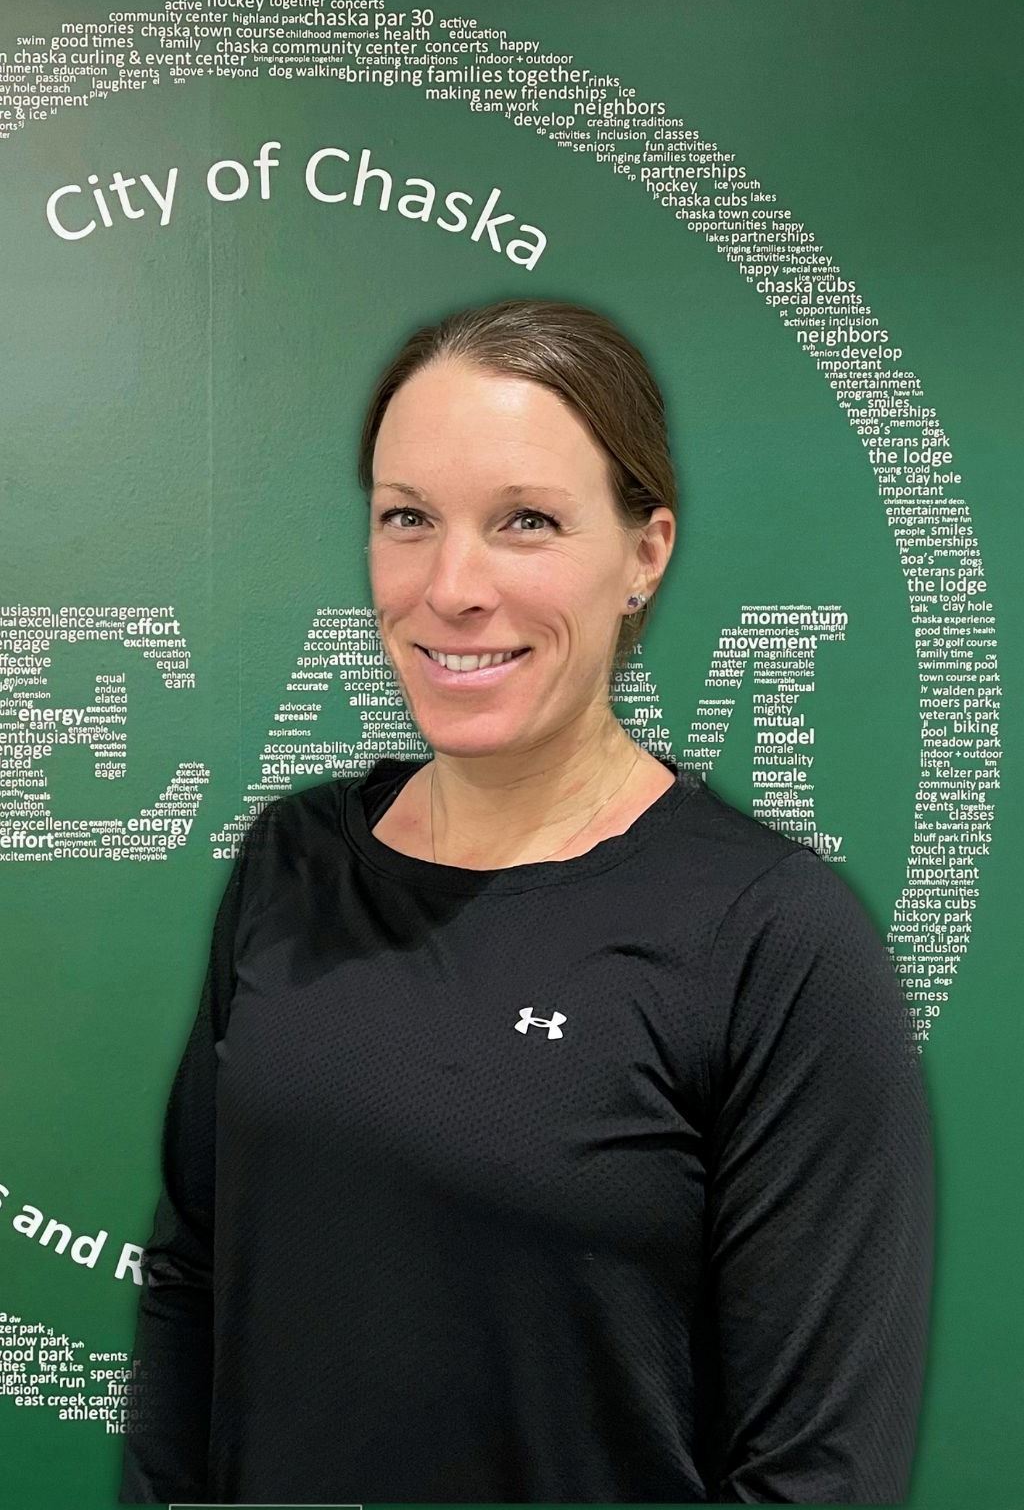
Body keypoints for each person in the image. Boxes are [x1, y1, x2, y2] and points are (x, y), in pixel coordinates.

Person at [119, 298, 934, 1505]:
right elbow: (196, 1279)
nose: (452, 587)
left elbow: (817, 1474)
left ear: (644, 553)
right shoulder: (288, 864)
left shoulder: (772, 940)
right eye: (408, 520)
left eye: (527, 523)